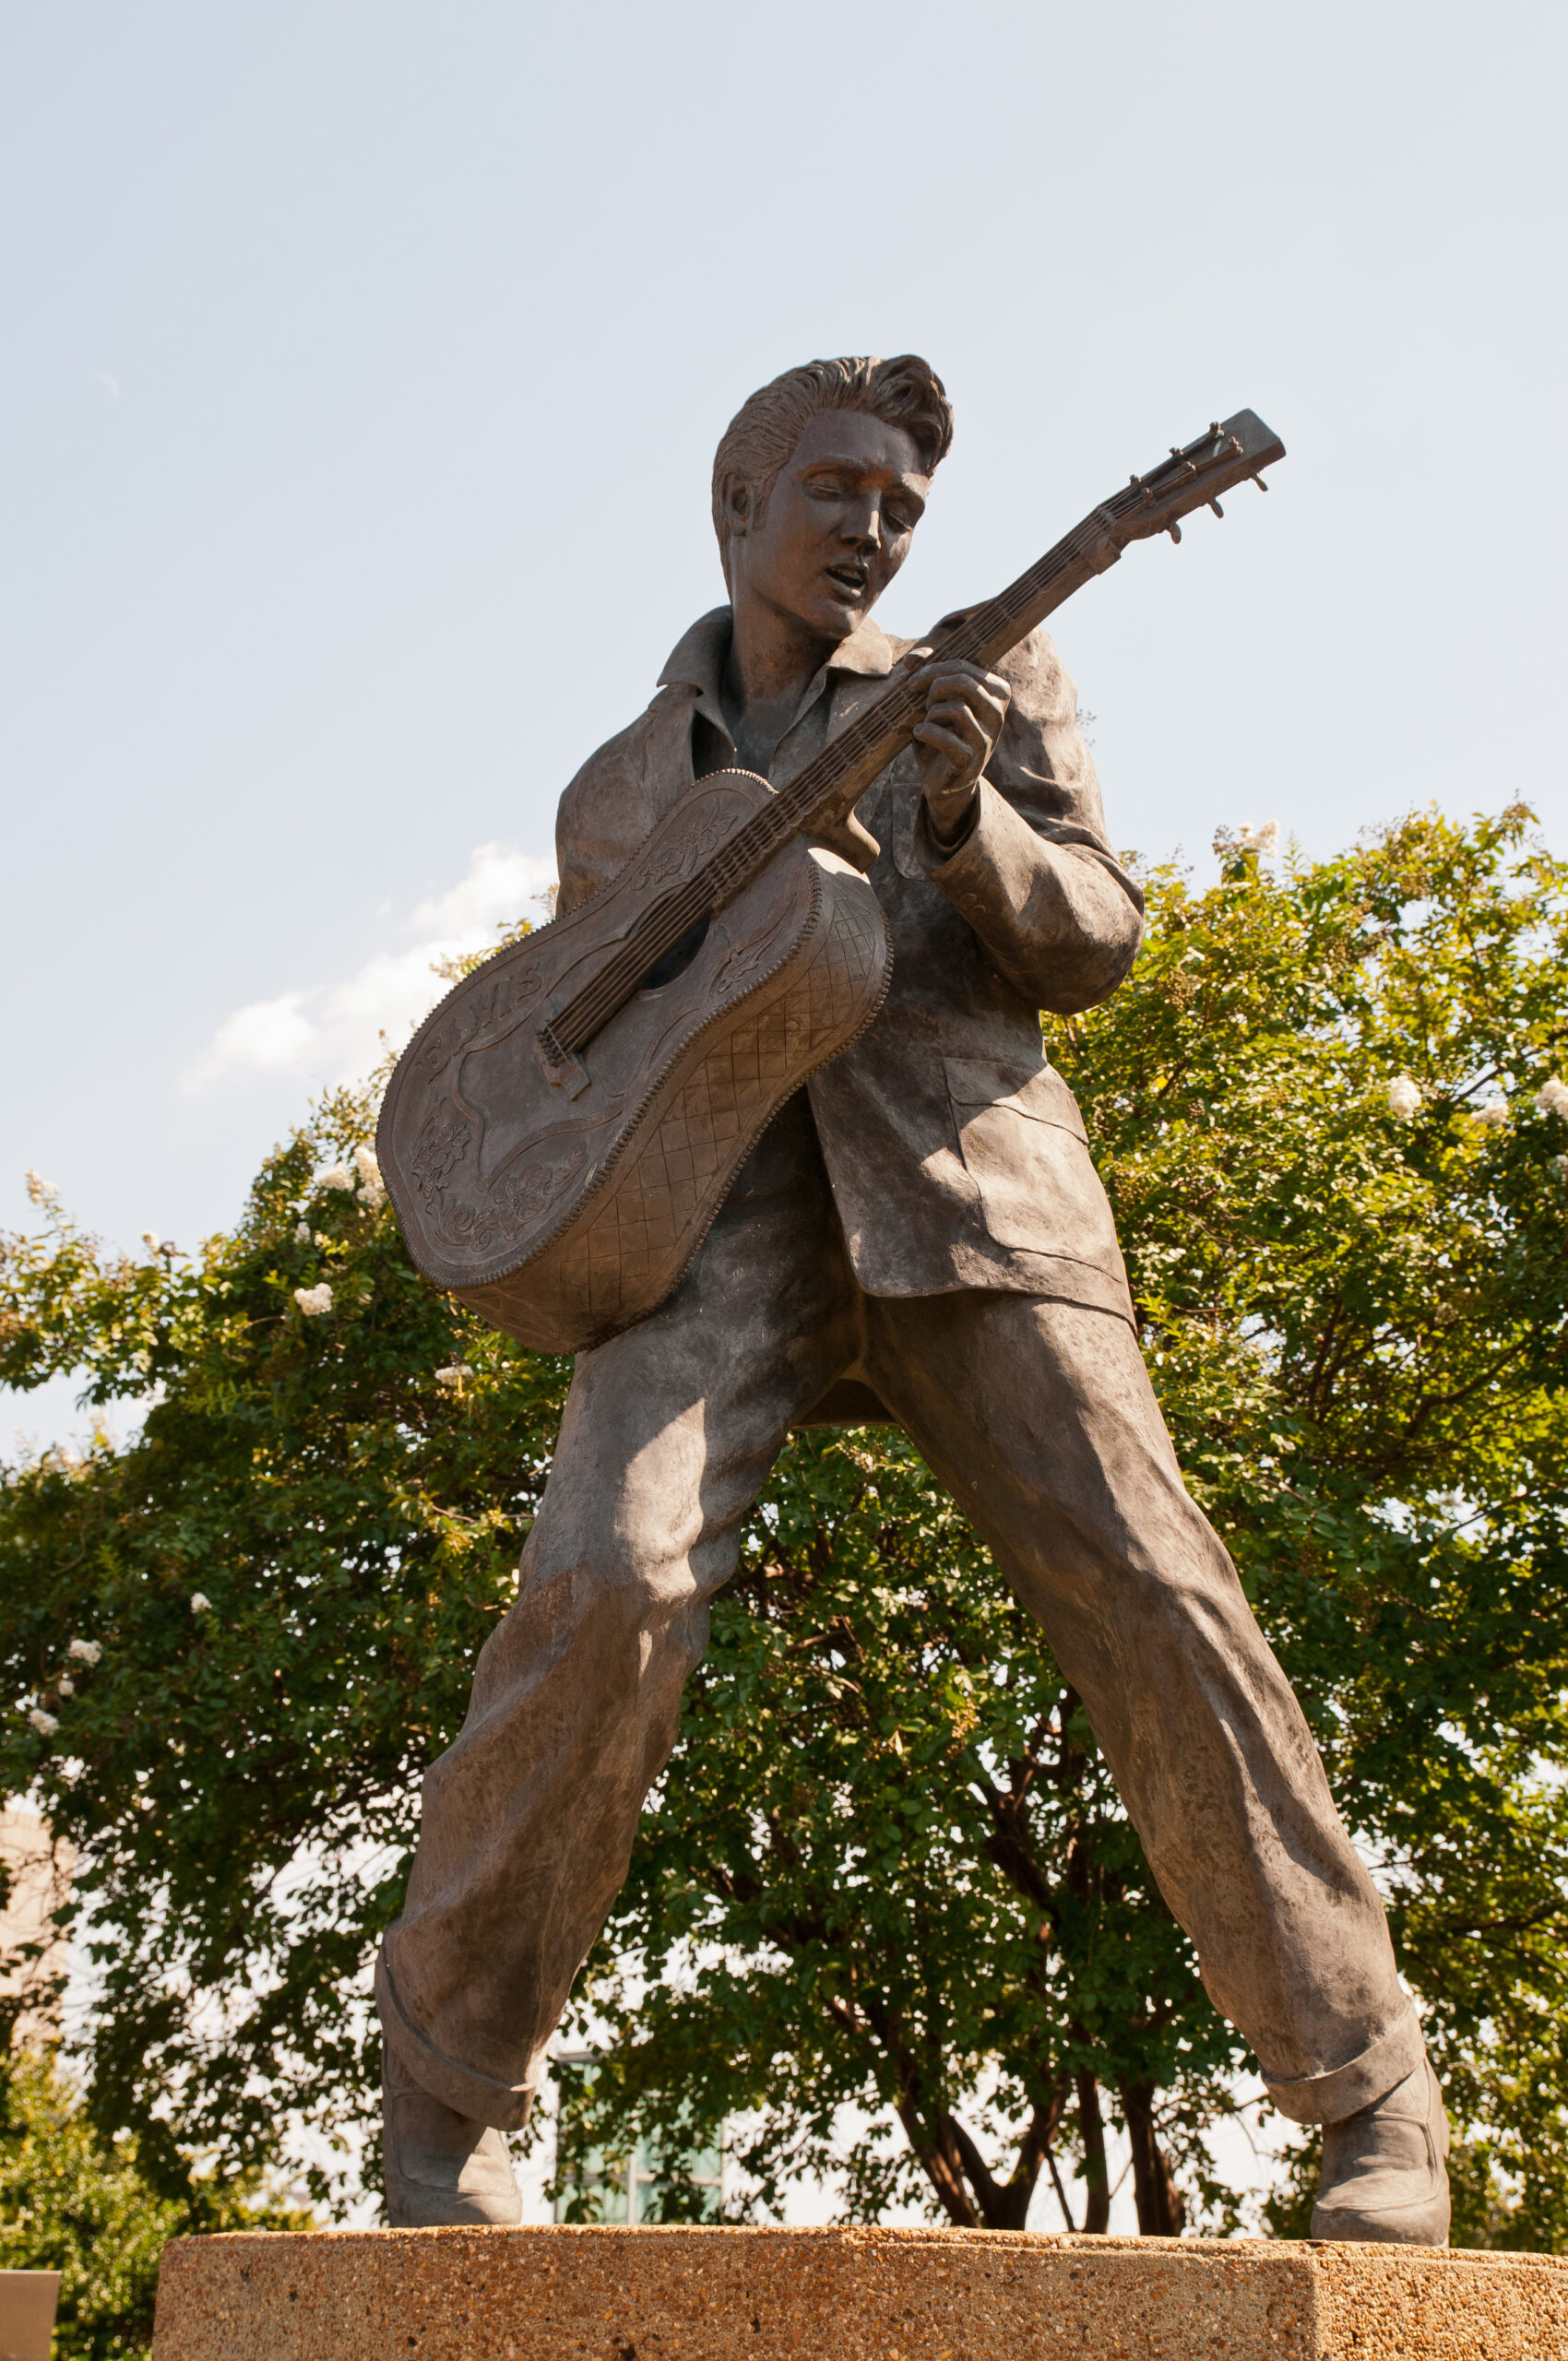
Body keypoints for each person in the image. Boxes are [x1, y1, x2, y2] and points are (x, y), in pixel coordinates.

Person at [377, 355, 1450, 2243]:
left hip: (968, 1183)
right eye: (837, 488)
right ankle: (447, 2095)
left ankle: (1371, 2099)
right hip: (713, 1222)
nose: (872, 525)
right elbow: (585, 1056)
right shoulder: (620, 789)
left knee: (1155, 1591)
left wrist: (965, 819)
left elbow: (1094, 933)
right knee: (599, 1581)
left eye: (901, 504)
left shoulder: (991, 675)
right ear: (736, 504)